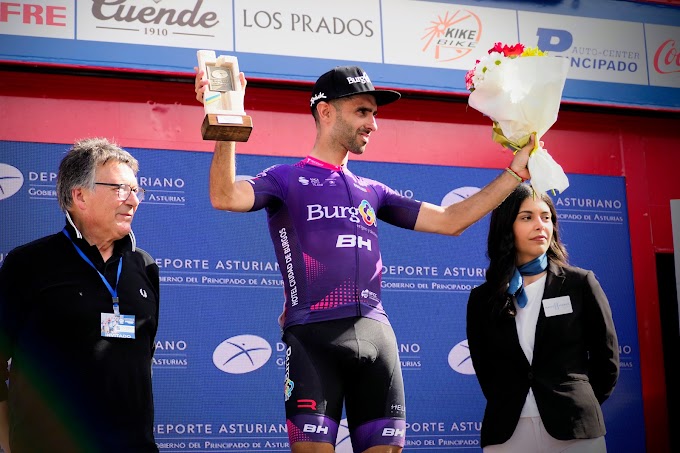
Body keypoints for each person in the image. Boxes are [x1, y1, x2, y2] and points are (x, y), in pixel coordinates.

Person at [195, 64, 535, 453]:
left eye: (374, 113)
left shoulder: (372, 190)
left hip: (378, 338)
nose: (373, 124)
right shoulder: (285, 179)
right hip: (313, 339)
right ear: (326, 111)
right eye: (362, 111)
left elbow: (451, 220)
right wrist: (226, 125)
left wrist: (513, 173)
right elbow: (224, 196)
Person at [0, 138, 160, 453]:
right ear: (80, 196)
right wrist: (10, 442)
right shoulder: (27, 264)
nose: (133, 200)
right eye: (119, 189)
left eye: (136, 190)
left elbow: (142, 361)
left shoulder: (145, 266)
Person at [466, 183, 620, 453]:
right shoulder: (482, 298)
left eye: (546, 217)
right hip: (507, 431)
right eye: (527, 217)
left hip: (575, 429)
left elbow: (606, 360)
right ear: (506, 226)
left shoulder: (580, 283)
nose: (540, 225)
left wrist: (575, 403)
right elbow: (485, 371)